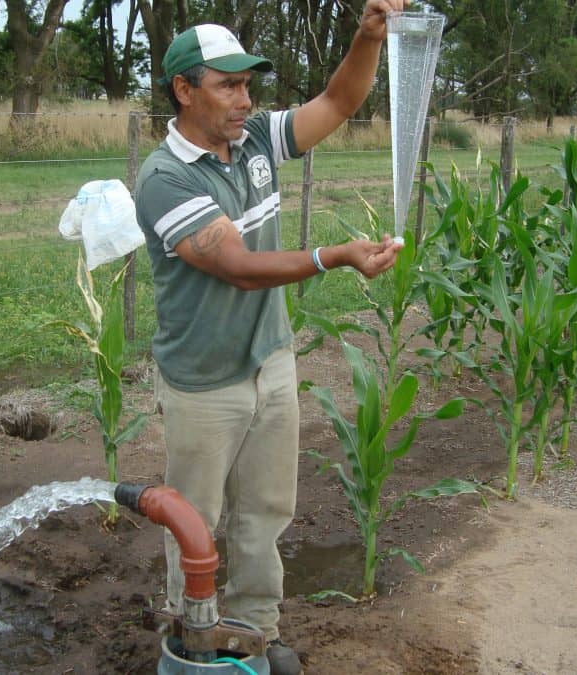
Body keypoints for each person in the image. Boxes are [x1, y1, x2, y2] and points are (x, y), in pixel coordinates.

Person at [134, 3, 407, 673]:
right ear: (183, 90)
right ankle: (193, 640)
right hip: (204, 382)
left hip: (270, 363)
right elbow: (235, 265)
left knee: (265, 512)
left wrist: (367, 37)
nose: (245, 100)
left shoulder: (255, 138)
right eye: (227, 85)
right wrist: (333, 256)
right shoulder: (164, 177)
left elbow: (339, 101)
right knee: (193, 523)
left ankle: (256, 631)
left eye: (248, 84)